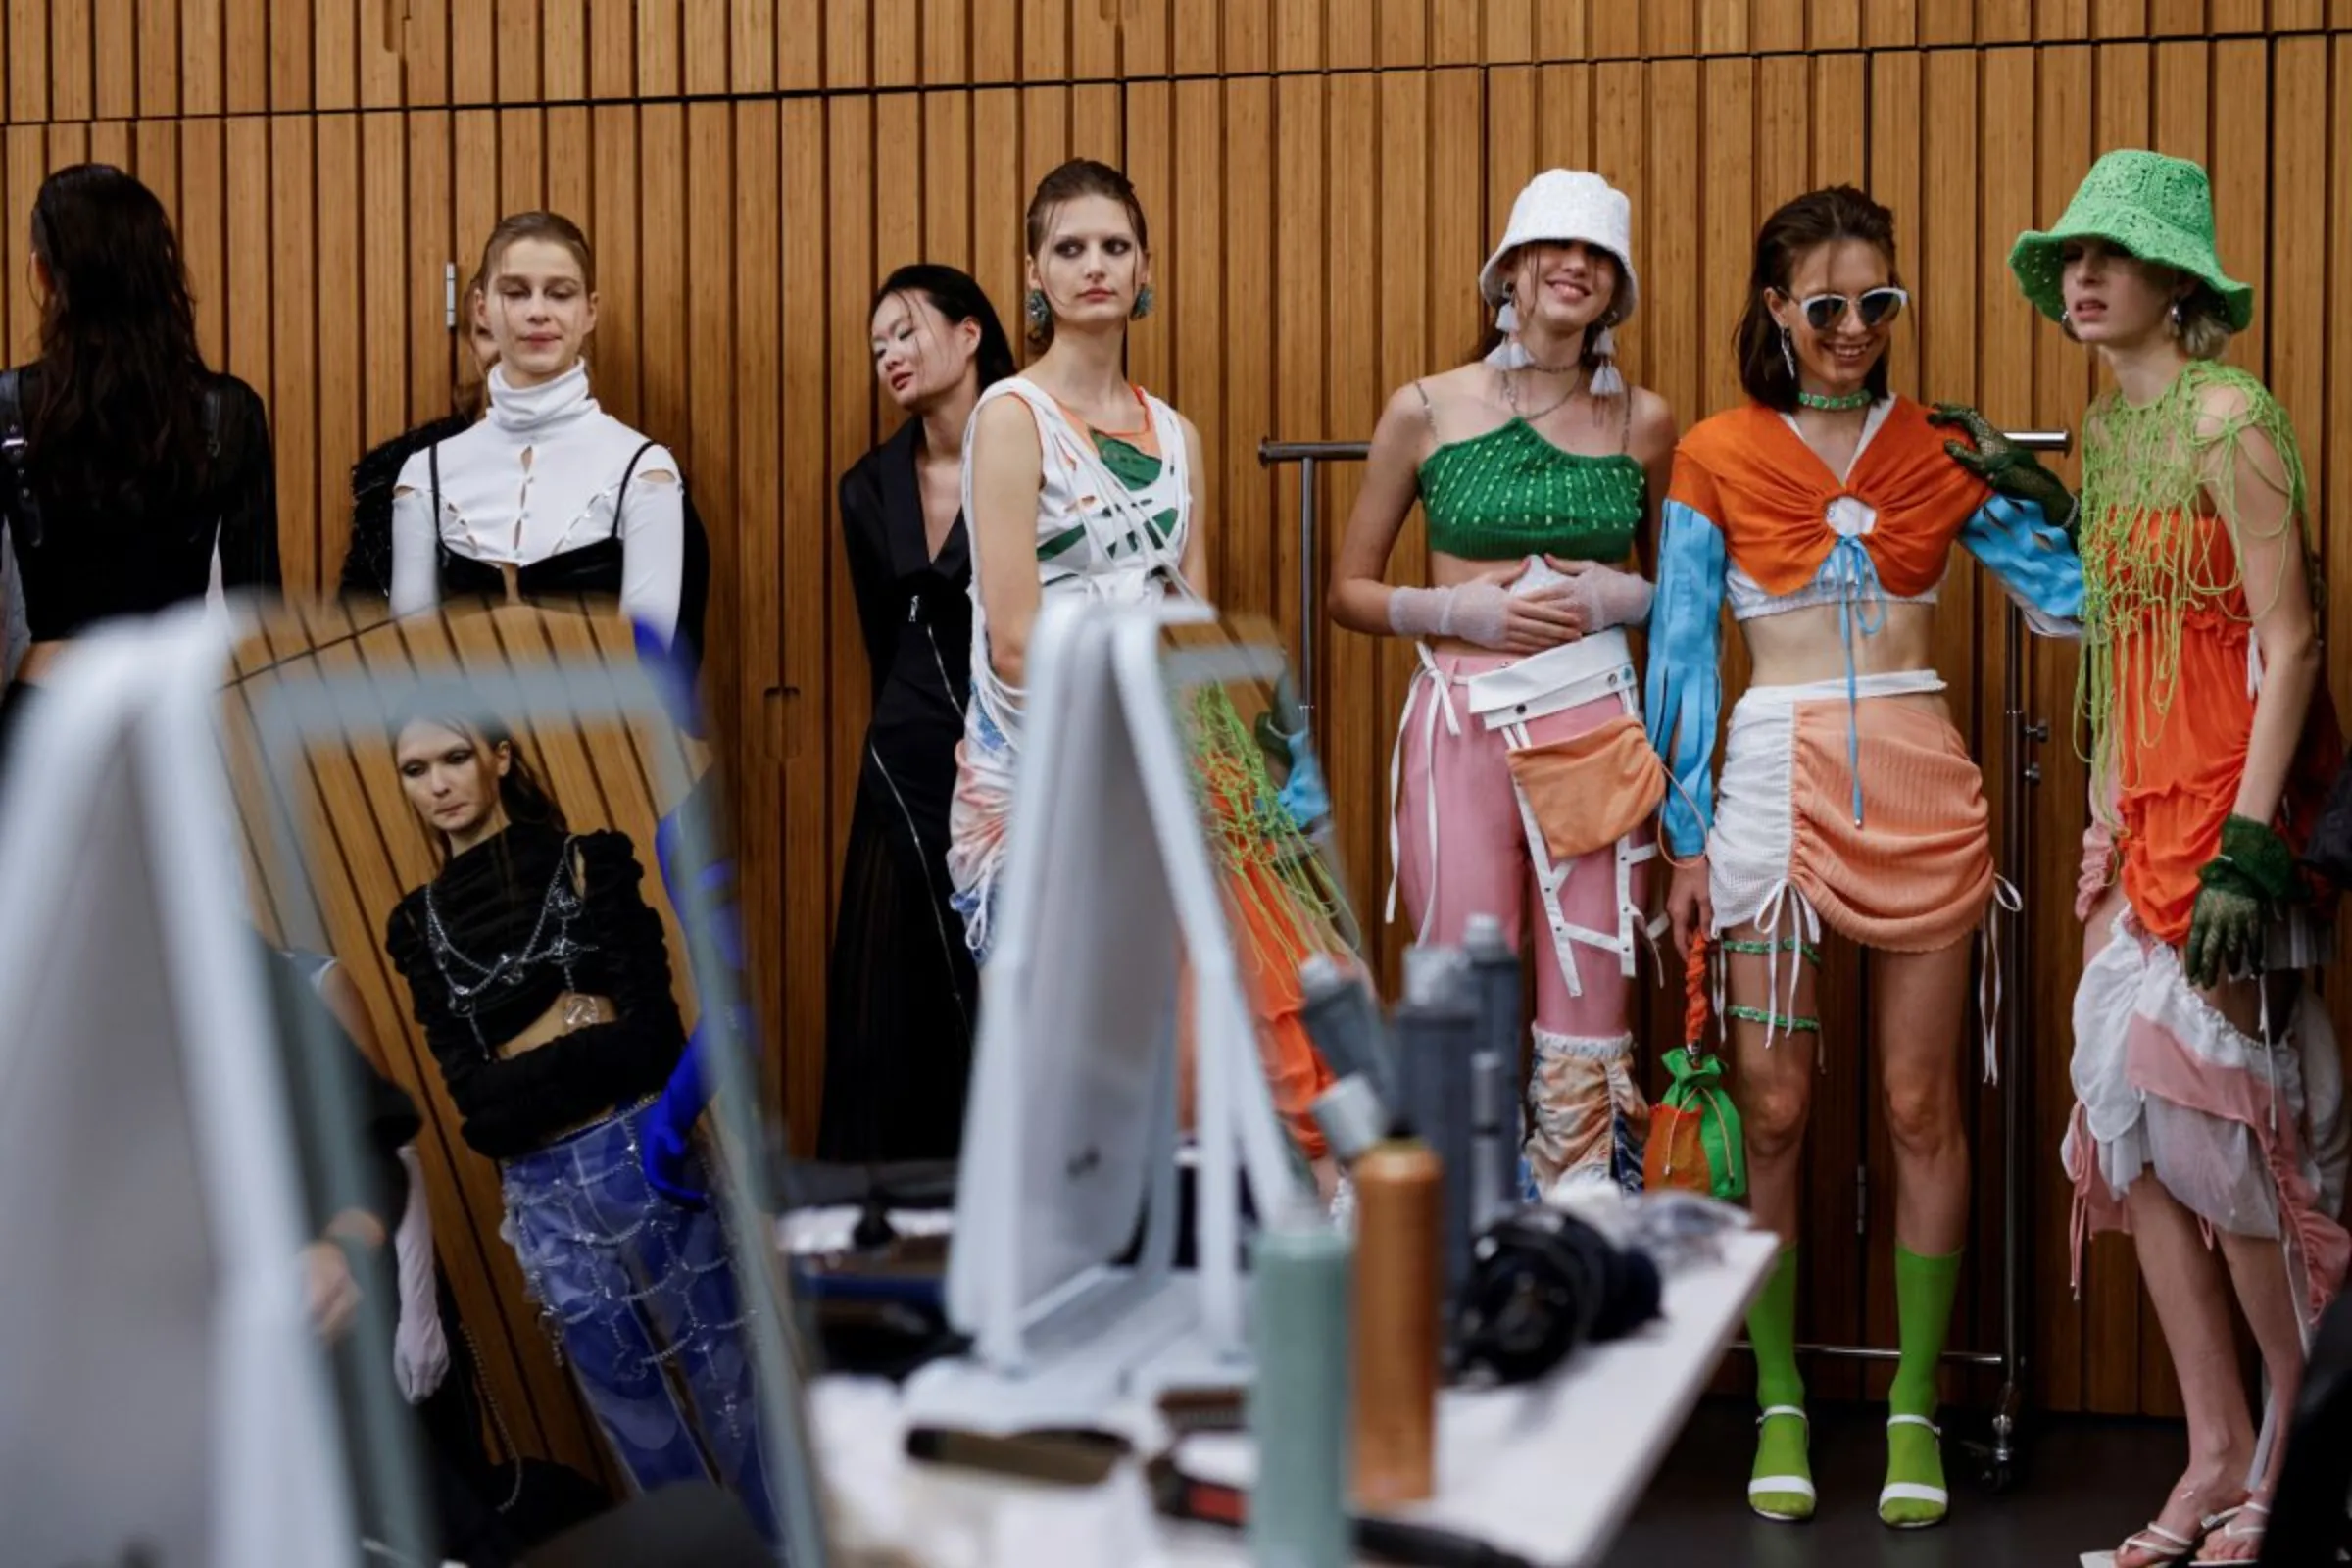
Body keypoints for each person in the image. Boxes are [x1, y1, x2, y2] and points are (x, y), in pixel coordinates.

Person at [1645, 185, 2083, 1528]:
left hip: (1914, 769)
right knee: (1771, 1106)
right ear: (1777, 307)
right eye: (1824, 305)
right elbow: (1677, 654)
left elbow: (2069, 604)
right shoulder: (1717, 451)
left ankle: (1913, 1405)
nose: (1851, 328)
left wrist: (2037, 485)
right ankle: (1778, 1390)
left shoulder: (1942, 444)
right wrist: (1685, 837)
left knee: (1918, 1104)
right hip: (1772, 778)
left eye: (1875, 302)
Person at [2017, 150, 2347, 1567]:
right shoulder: (2105, 437)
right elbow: (2121, 641)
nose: (2085, 279)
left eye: (2116, 257)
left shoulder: (2232, 418)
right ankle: (2213, 1446)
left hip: (2232, 825)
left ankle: (2298, 1442)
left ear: (2177, 283)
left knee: (2239, 1151)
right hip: (2135, 817)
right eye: (2073, 259)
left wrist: (2254, 848)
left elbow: (2291, 645)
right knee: (2133, 1136)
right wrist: (2106, 826)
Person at [945, 158, 1340, 1172]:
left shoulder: (1177, 435)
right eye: (1069, 249)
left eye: (1114, 246)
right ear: (1033, 275)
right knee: (1066, 1068)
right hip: (1048, 765)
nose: (1094, 267)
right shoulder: (1009, 416)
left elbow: (1193, 629)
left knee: (1221, 1039)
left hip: (1173, 756)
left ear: (1145, 267)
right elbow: (1014, 638)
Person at [1328, 168, 1674, 1197]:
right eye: (1552, 248)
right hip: (1461, 722)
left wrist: (1626, 596)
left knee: (1589, 985)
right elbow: (1348, 588)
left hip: (1593, 726)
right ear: (1509, 273)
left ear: (1615, 287)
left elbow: (1678, 590)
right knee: (1466, 972)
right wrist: (1451, 612)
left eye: (1597, 255)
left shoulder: (1643, 421)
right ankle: (1457, 1242)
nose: (1574, 267)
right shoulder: (1425, 407)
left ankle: (1579, 1237)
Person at [381, 712, 774, 1538]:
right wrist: (576, 1029)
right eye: (415, 770)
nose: (440, 784)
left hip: (642, 1149)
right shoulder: (418, 927)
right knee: (633, 1419)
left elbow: (651, 1044)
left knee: (734, 1389)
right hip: (540, 1191)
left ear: (500, 757)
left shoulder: (589, 863)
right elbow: (476, 1110)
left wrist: (525, 1064)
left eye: (455, 757)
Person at [819, 264, 1012, 1163]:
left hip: (1016, 762)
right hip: (901, 770)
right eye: (878, 346)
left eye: (907, 331)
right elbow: (878, 643)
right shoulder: (865, 488)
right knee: (895, 1012)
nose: (891, 355)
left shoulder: (1038, 454)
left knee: (1005, 995)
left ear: (971, 334)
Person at [0, 163, 278, 758]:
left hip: (47, 706)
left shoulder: (7, 408)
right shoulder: (229, 411)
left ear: (44, 276)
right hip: (174, 712)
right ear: (160, 275)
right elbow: (259, 615)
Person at [389, 214, 702, 662]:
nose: (538, 311)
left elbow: (646, 667)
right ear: (482, 308)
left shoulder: (644, 470)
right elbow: (411, 666)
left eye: (560, 293)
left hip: (602, 728)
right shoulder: (424, 474)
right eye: (516, 292)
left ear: (590, 311)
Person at [342, 274, 498, 599]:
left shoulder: (617, 466)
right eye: (488, 333)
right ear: (472, 344)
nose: (505, 349)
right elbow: (358, 615)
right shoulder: (404, 471)